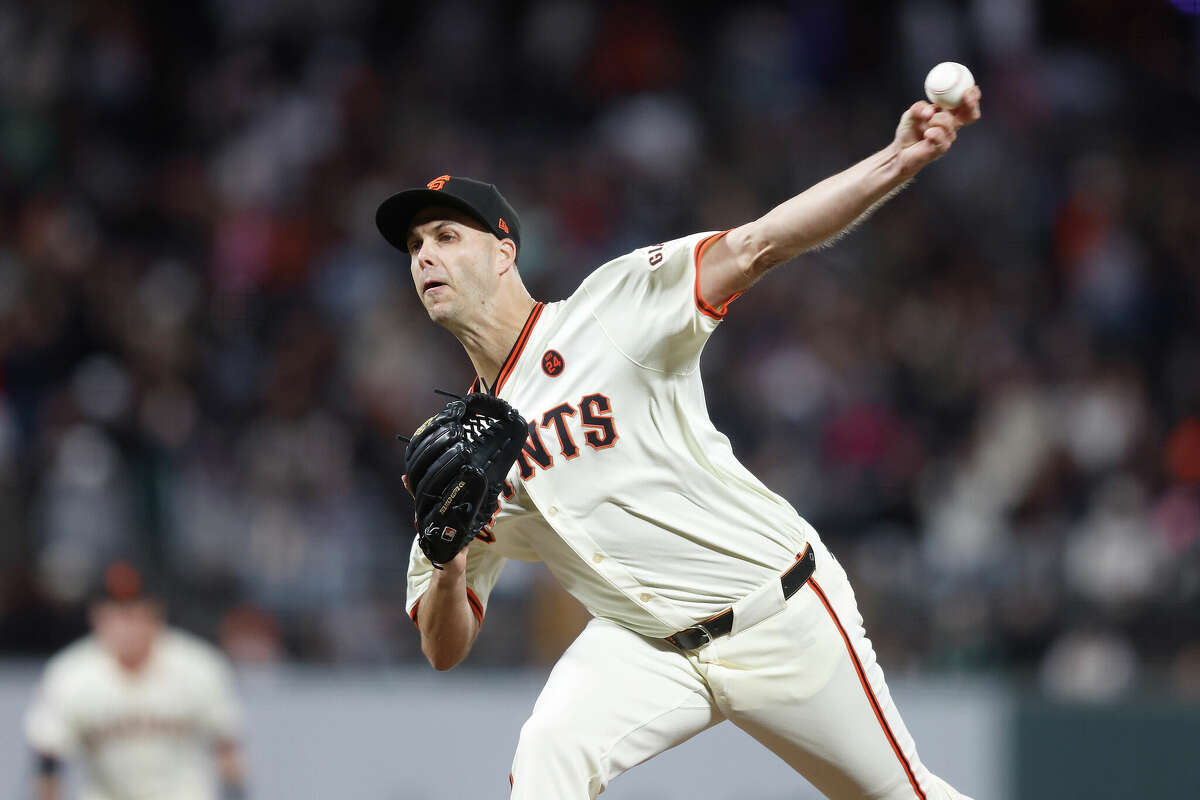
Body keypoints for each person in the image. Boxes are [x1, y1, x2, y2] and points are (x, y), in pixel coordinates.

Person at [376, 86, 982, 799]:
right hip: (642, 645)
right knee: (548, 757)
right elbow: (444, 650)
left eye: (447, 236)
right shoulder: (458, 451)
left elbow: (760, 242)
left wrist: (894, 161)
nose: (425, 256)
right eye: (415, 246)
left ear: (505, 251)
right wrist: (448, 561)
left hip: (776, 611)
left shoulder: (610, 310)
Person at [24, 561, 248, 800]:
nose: (125, 626)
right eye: (115, 613)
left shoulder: (198, 665)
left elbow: (227, 747)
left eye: (134, 613)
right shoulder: (70, 673)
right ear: (97, 617)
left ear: (156, 614)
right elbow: (48, 757)